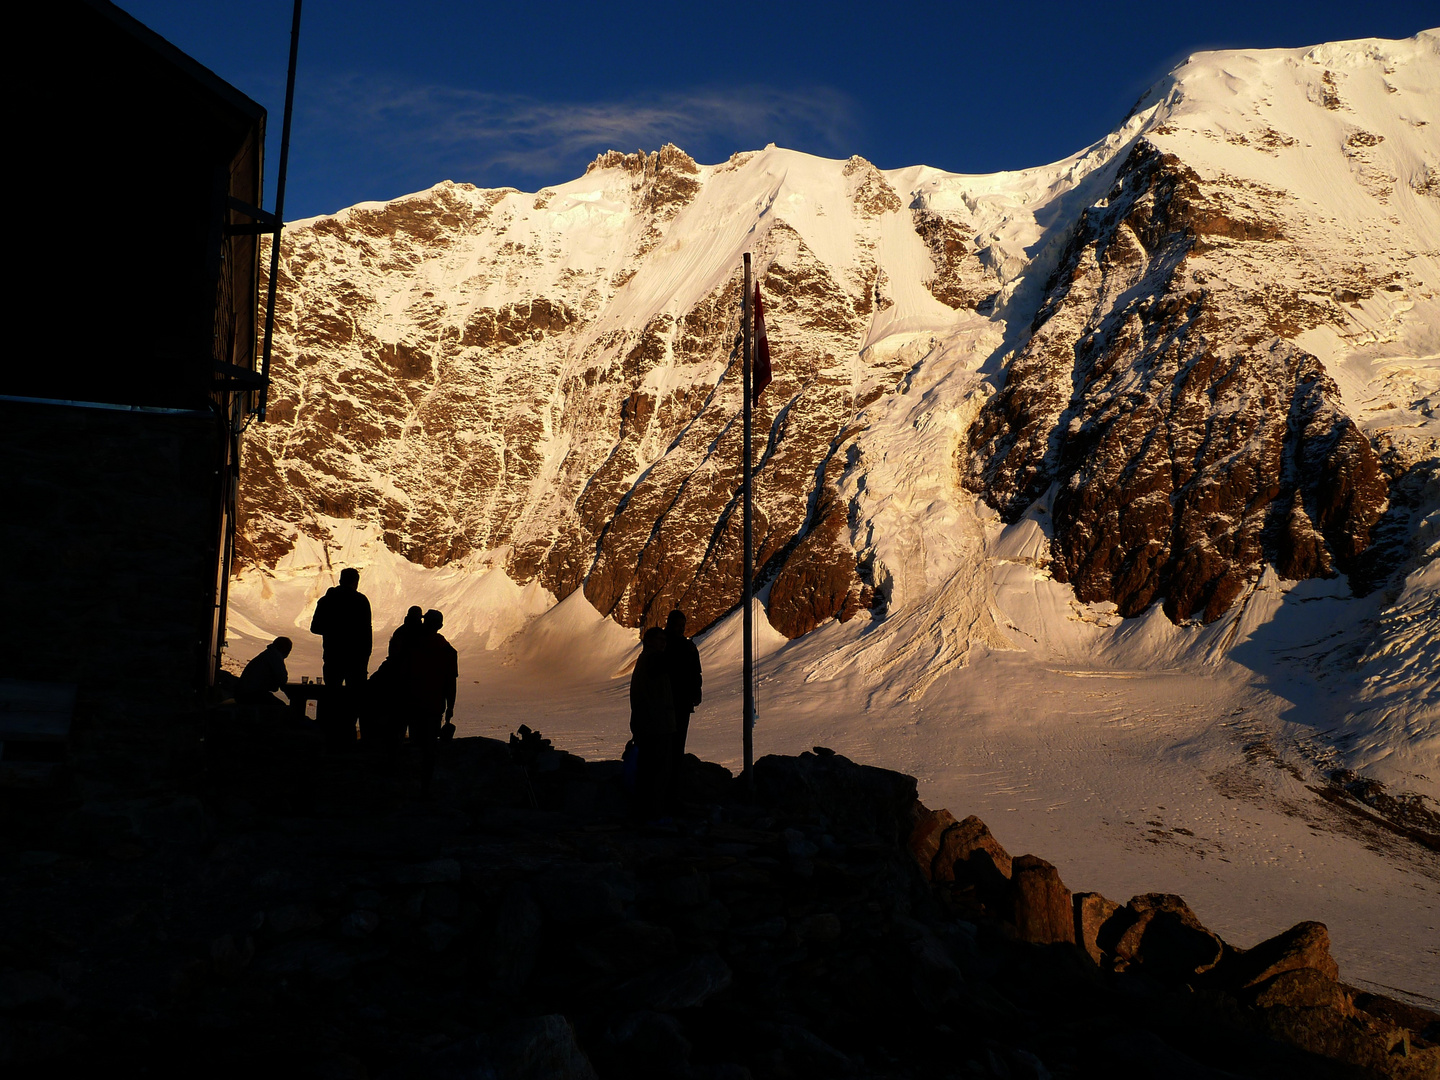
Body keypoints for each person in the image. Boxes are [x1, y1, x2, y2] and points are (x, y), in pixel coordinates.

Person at [309, 567, 372, 742]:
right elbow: (367, 633)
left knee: (331, 695)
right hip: (356, 659)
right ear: (355, 582)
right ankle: (348, 735)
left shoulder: (326, 601)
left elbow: (315, 628)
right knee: (354, 699)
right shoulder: (361, 601)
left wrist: (333, 630)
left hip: (333, 655)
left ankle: (327, 734)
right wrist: (364, 658)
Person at [410, 608, 458, 796]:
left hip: (415, 703)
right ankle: (426, 787)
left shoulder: (414, 645)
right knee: (429, 748)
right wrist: (450, 707)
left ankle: (414, 786)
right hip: (434, 706)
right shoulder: (448, 651)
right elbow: (450, 683)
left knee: (416, 745)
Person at [629, 627, 675, 821]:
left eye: (665, 639)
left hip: (649, 724)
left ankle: (646, 812)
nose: (663, 643)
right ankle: (652, 813)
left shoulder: (646, 660)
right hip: (655, 725)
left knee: (648, 770)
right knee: (655, 771)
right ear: (649, 641)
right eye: (659, 639)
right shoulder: (653, 660)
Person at [664, 610, 702, 766]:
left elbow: (695, 672)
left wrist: (695, 693)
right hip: (666, 703)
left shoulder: (687, 646)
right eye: (678, 625)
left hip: (682, 703)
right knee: (667, 742)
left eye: (683, 625)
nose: (681, 629)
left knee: (677, 742)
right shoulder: (662, 644)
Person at [237, 637, 293, 722]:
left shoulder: (268, 654)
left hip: (245, 693)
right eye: (289, 649)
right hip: (252, 695)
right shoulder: (275, 657)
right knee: (281, 708)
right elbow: (282, 678)